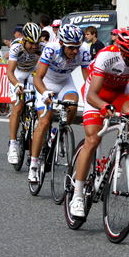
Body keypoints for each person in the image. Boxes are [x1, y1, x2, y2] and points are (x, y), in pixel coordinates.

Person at [69, 27, 129, 217]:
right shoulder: (106, 57)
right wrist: (103, 107)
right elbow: (92, 94)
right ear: (124, 54)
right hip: (97, 95)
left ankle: (118, 152)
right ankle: (78, 194)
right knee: (92, 140)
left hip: (120, 93)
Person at [28, 24, 90, 183]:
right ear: (62, 43)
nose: (75, 51)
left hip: (65, 83)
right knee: (44, 121)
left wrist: (92, 98)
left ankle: (60, 132)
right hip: (46, 83)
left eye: (77, 47)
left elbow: (88, 79)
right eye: (71, 48)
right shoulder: (51, 49)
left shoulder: (83, 51)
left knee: (73, 105)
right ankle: (34, 165)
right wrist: (44, 92)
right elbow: (37, 77)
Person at [6, 22, 43, 165]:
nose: (34, 47)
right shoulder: (16, 47)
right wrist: (16, 84)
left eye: (37, 43)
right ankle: (13, 144)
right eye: (31, 44)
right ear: (24, 40)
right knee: (18, 107)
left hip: (33, 73)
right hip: (18, 74)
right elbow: (9, 72)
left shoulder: (42, 48)